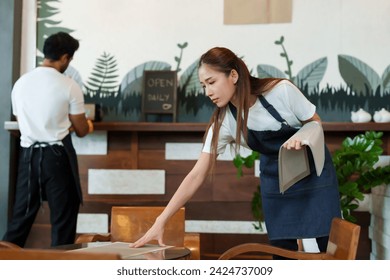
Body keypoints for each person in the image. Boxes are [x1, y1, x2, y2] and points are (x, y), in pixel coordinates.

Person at [130, 47, 341, 257]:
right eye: (204, 86)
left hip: (315, 175)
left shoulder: (281, 91)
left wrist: (301, 137)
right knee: (282, 252)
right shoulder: (224, 122)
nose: (207, 92)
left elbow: (314, 122)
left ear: (233, 75)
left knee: (325, 246)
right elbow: (196, 175)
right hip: (277, 181)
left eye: (211, 82)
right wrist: (162, 220)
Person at [2, 32, 93, 247]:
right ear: (64, 57)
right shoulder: (69, 85)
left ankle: (3, 263)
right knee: (63, 218)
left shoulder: (20, 83)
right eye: (69, 59)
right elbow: (81, 129)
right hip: (57, 156)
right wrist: (86, 125)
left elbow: (21, 122)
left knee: (20, 219)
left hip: (28, 156)